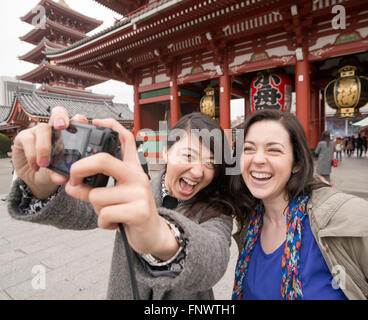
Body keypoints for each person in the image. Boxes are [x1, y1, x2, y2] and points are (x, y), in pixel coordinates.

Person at [7, 107, 237, 300]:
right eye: (188, 156)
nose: (197, 171)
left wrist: (159, 234)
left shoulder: (218, 210)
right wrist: (40, 184)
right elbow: (81, 211)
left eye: (210, 163)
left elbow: (214, 259)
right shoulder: (131, 188)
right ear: (166, 152)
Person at [229, 109, 368, 300]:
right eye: (248, 149)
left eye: (274, 150)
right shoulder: (249, 225)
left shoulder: (345, 217)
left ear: (297, 163)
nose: (257, 159)